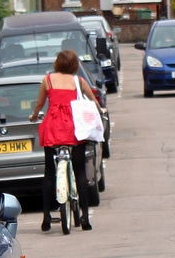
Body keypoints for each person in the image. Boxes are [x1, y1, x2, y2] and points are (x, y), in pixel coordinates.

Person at [29, 49, 105, 232]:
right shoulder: (78, 81)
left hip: (53, 127)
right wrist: (101, 110)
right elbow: (93, 101)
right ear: (74, 65)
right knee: (79, 170)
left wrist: (34, 115)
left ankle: (46, 216)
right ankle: (85, 216)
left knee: (49, 172)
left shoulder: (47, 80)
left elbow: (39, 105)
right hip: (74, 127)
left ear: (57, 63)